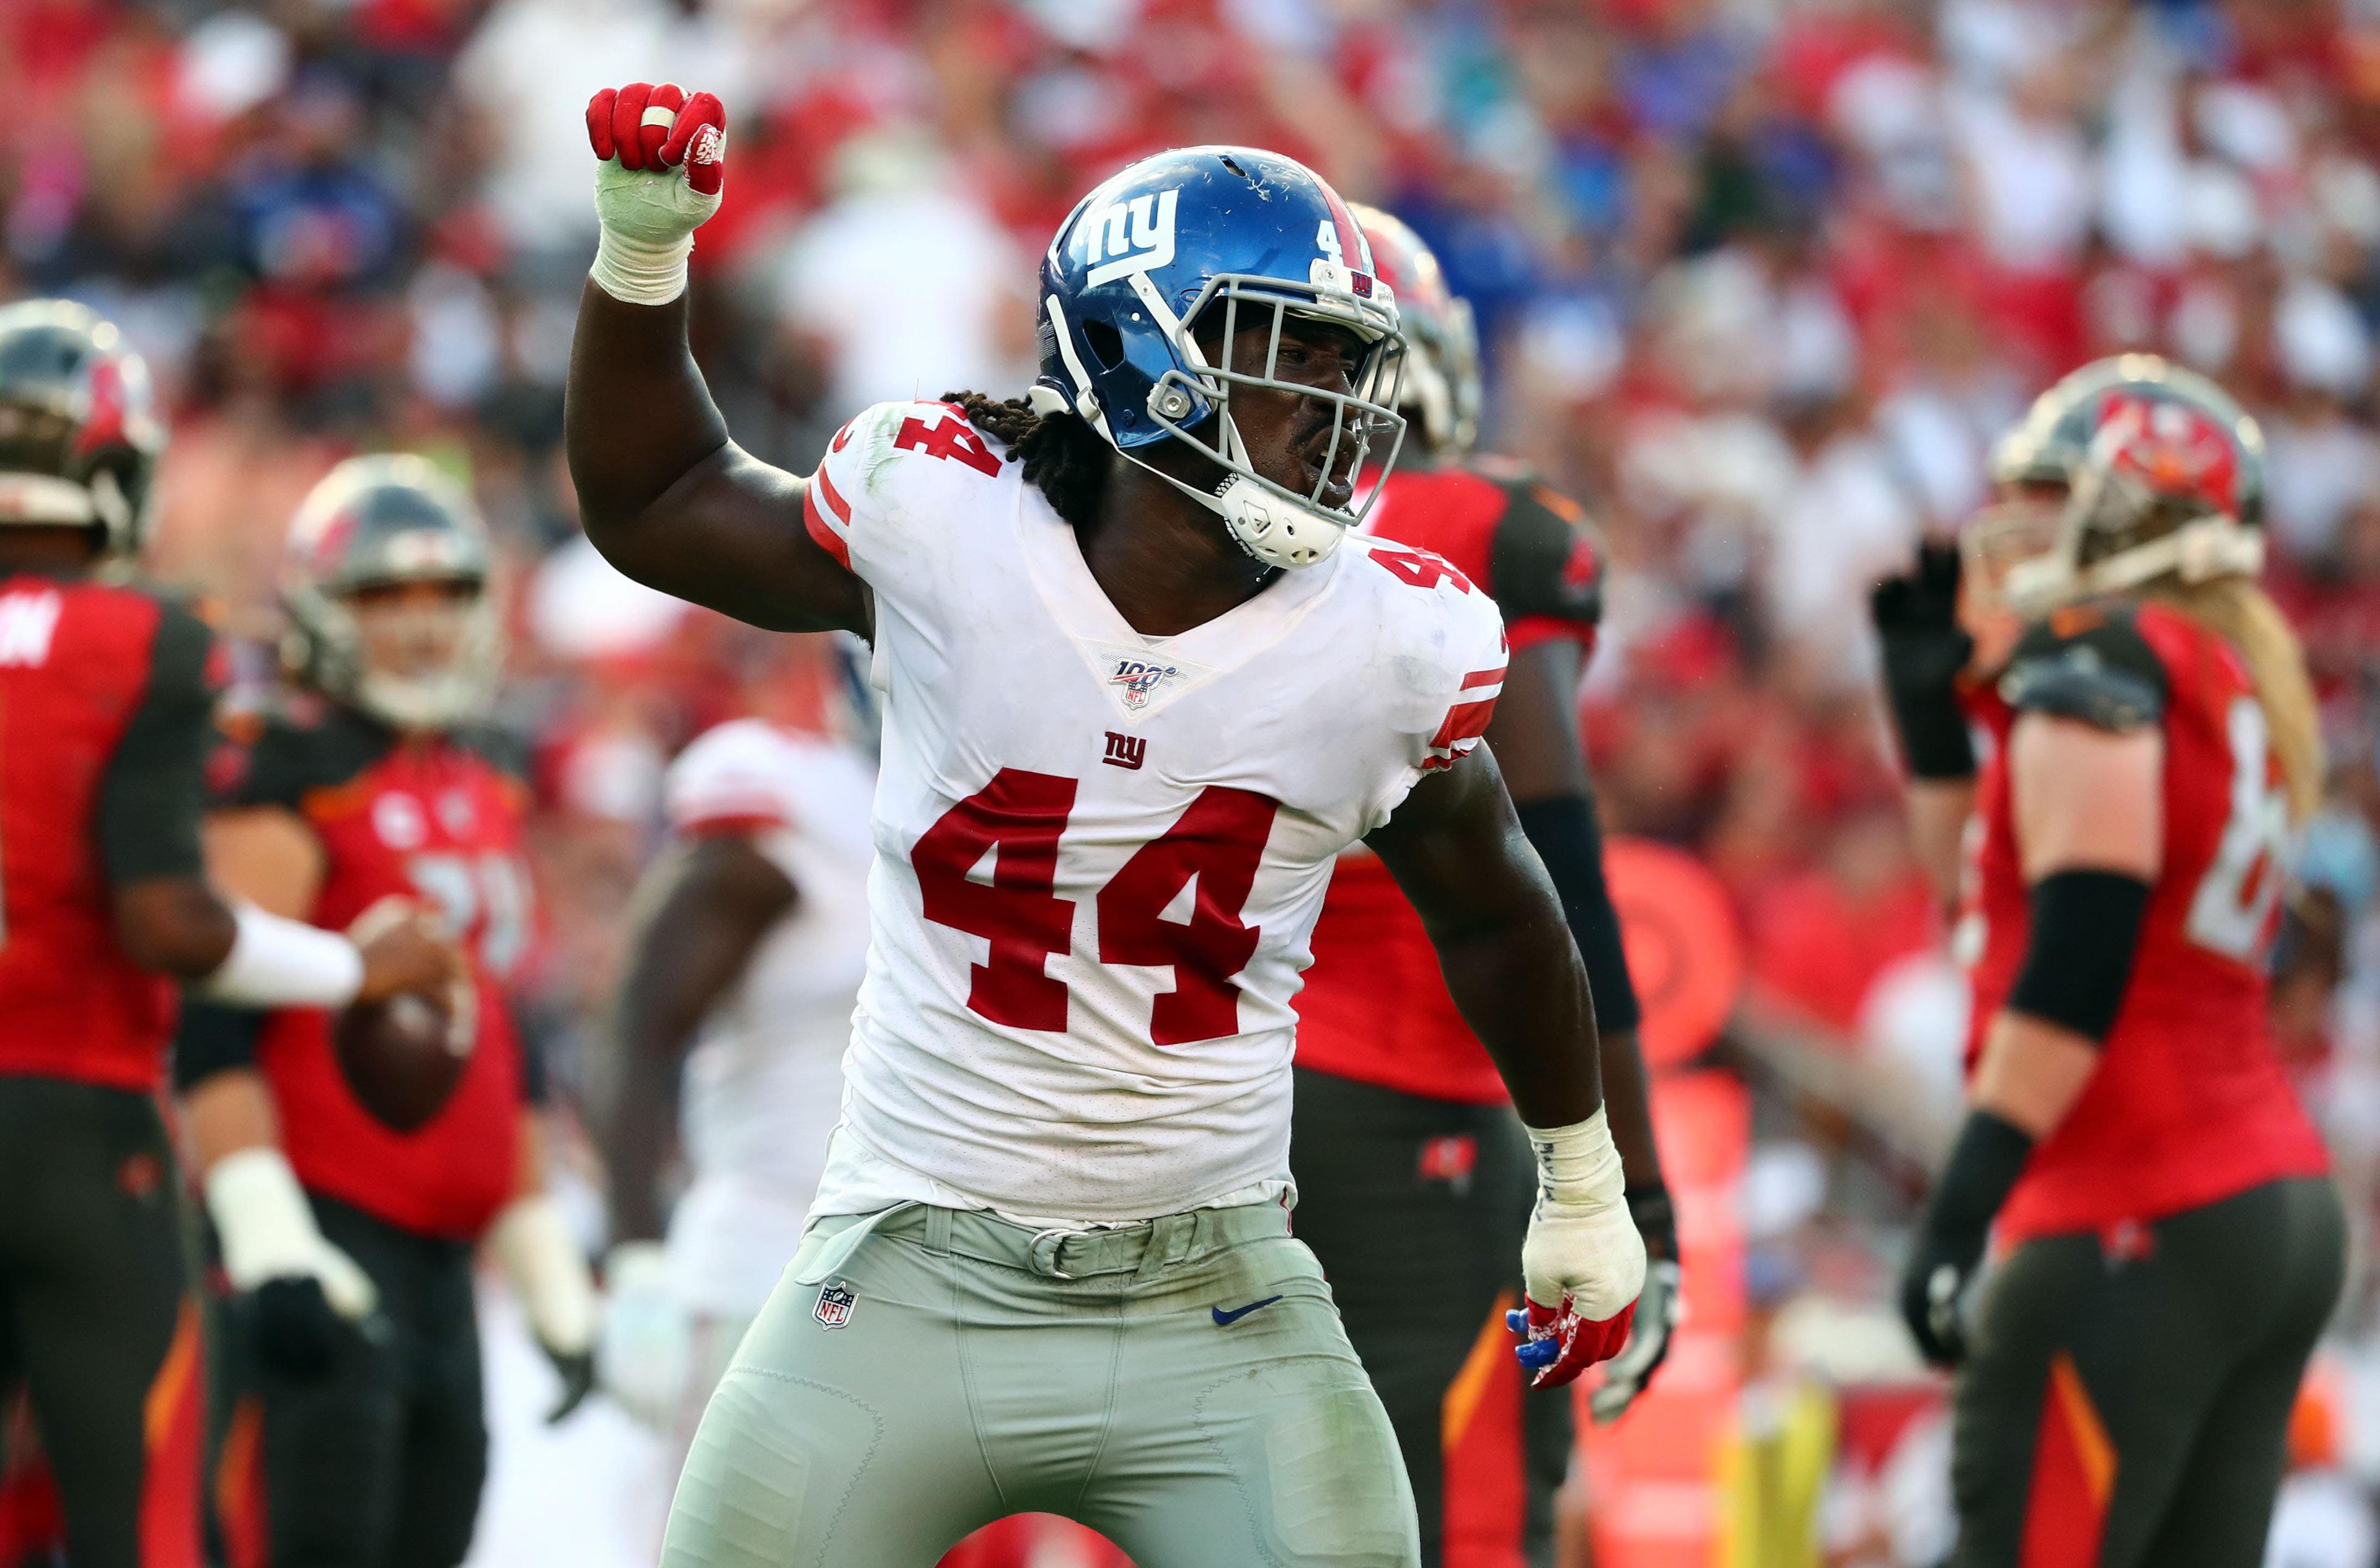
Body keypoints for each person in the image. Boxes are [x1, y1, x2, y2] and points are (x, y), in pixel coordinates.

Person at [566, 84, 1644, 1567]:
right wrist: (641, 264)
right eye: (1294, 354)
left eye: (1349, 361)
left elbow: (1497, 901)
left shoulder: (1378, 637)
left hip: (1215, 1290)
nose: (1341, 405)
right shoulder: (951, 522)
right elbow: (659, 500)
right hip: (906, 1267)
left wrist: (1582, 1181)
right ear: (1148, 351)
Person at [0, 301, 454, 1568]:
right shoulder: (142, 638)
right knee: (141, 1526)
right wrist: (354, 965)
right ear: (114, 462)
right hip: (74, 1131)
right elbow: (167, 919)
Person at [1872, 357, 2345, 1567]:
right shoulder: (2225, 672)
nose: (2014, 525)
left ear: (2137, 510)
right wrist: (1935, 724)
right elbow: (1993, 910)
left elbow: (2075, 966)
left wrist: (1960, 1205)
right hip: (2255, 1196)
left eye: (2048, 494)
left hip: (2135, 1199)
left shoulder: (2105, 656)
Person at [1289, 207, 1675, 1568]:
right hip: (1413, 1097)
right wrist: (1643, 1193)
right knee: (1470, 1494)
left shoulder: (1198, 530)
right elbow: (1557, 880)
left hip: (1220, 1086)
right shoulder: (1482, 523)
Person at [172, 456, 598, 1568]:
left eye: (444, 591)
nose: (417, 623)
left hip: (448, 1260)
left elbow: (498, 1035)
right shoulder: (291, 767)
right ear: (323, 606)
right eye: (381, 595)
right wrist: (271, 1235)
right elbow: (210, 1017)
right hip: (330, 1230)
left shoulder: (484, 774)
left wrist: (545, 1259)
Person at [593, 710, 876, 1465]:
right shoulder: (797, 798)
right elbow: (638, 1029)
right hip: (768, 1264)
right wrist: (635, 1262)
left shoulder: (1026, 789)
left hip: (924, 1277)